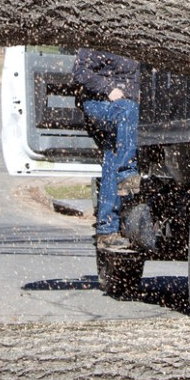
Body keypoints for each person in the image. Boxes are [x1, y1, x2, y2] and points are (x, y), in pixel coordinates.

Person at [73, 47, 141, 252]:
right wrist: (108, 89)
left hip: (127, 110)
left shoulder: (141, 44)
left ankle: (107, 230)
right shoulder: (101, 39)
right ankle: (127, 174)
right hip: (99, 105)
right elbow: (79, 72)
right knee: (127, 111)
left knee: (113, 154)